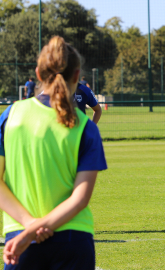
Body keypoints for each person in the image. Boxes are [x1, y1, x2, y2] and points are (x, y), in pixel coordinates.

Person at [0, 36, 107, 269]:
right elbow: (80, 199)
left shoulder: (10, 117)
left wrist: (30, 228)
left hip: (19, 238)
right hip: (73, 238)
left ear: (38, 74)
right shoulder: (86, 127)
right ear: (77, 76)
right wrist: (37, 229)